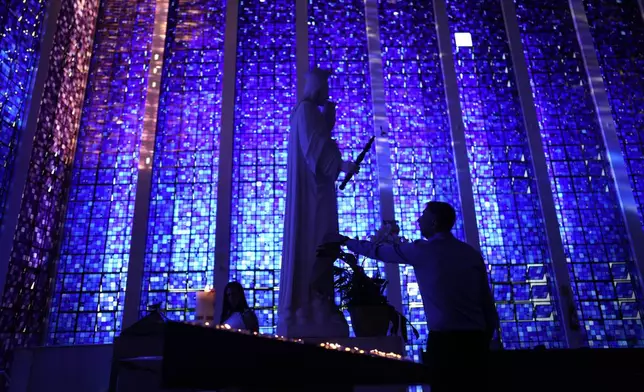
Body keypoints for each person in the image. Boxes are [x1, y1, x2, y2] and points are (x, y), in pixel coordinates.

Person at [328, 201, 499, 391]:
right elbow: (486, 300)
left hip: (446, 344)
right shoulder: (471, 254)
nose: (418, 220)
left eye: (423, 216)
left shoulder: (423, 250)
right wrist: (488, 338)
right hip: (477, 342)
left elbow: (378, 251)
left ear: (434, 222)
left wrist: (344, 241)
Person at [277, 68, 359, 336]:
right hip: (313, 197)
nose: (327, 95)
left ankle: (316, 301)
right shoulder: (307, 110)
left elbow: (316, 141)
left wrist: (327, 124)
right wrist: (343, 165)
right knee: (318, 243)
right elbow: (316, 153)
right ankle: (311, 301)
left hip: (318, 191)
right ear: (317, 89)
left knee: (322, 246)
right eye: (325, 89)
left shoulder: (307, 113)